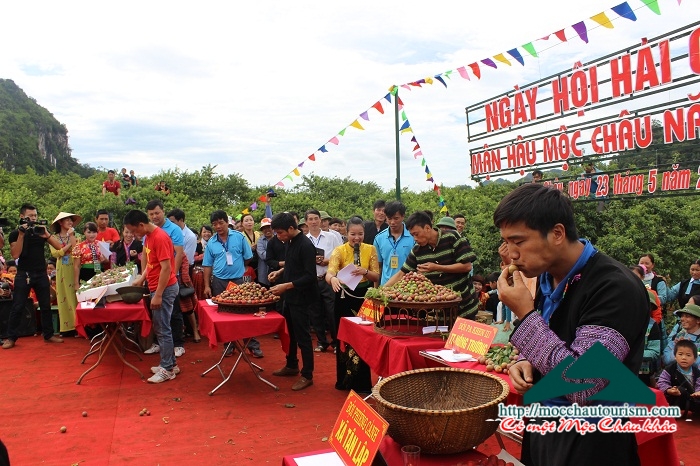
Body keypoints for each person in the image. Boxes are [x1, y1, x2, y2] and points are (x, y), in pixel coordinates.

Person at [494, 183, 648, 466]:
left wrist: (525, 315)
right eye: (507, 242)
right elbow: (553, 338)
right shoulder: (545, 275)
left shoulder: (615, 288)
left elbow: (585, 386)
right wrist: (527, 360)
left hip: (592, 443)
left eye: (519, 242)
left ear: (556, 233)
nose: (511, 254)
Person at [385, 211, 478, 319]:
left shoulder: (452, 237)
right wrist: (381, 290)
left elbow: (467, 266)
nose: (415, 238)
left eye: (416, 234)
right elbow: (401, 273)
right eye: (412, 235)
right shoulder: (417, 251)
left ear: (428, 228)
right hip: (440, 313)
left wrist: (437, 267)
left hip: (465, 307)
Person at [124, 209, 180, 383]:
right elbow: (152, 264)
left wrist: (159, 295)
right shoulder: (148, 237)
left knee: (163, 329)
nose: (133, 235)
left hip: (165, 288)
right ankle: (171, 363)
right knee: (162, 327)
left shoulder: (160, 238)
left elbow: (166, 268)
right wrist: (141, 279)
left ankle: (167, 369)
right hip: (156, 286)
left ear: (141, 225)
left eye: (133, 231)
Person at [326, 216, 380, 392]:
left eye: (360, 234)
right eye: (352, 234)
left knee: (364, 338)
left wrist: (365, 271)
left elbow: (376, 277)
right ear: (346, 233)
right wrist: (333, 279)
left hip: (363, 296)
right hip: (343, 295)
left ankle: (363, 383)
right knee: (344, 338)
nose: (356, 238)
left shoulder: (370, 249)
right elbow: (330, 272)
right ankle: (344, 381)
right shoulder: (339, 251)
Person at [2, 204, 66, 349]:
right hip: (23, 274)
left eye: (35, 216)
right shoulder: (15, 233)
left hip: (41, 273)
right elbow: (15, 254)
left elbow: (59, 248)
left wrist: (47, 235)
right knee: (18, 305)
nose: (33, 218)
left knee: (45, 305)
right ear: (22, 217)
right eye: (30, 216)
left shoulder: (40, 231)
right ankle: (11, 337)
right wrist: (21, 234)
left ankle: (49, 334)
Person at [268, 212, 318, 391]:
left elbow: (310, 276)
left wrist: (287, 285)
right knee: (290, 333)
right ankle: (291, 364)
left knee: (303, 336)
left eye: (280, 232)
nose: (278, 236)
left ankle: (307, 374)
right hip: (289, 295)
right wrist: (279, 273)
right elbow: (291, 264)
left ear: (291, 228)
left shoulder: (305, 245)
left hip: (302, 297)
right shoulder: (289, 242)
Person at [201, 210, 261, 357]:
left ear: (227, 223)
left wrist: (238, 268)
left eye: (221, 223)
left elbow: (248, 258)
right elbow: (207, 265)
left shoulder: (239, 237)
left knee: (245, 314)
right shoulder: (211, 243)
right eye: (215, 224)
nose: (218, 226)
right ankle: (229, 345)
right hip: (219, 282)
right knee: (225, 315)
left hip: (239, 280)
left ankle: (252, 345)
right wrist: (207, 285)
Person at [144, 200, 186, 358]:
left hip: (169, 278)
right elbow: (146, 254)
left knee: (174, 312)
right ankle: (158, 343)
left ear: (163, 211)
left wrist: (172, 276)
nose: (154, 216)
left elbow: (178, 254)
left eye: (157, 213)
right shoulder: (148, 230)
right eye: (151, 214)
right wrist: (144, 275)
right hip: (154, 277)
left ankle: (178, 344)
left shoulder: (173, 229)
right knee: (157, 314)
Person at [306, 209, 343, 353]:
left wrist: (328, 261)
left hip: (329, 279)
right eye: (311, 219)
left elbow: (340, 256)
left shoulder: (331, 237)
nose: (314, 222)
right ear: (306, 222)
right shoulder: (304, 239)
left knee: (332, 312)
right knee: (315, 312)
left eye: (316, 218)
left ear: (321, 220)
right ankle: (322, 341)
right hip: (312, 280)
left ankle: (335, 342)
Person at [48, 212, 80, 336]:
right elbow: (56, 254)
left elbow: (77, 249)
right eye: (67, 220)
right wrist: (67, 246)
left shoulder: (76, 236)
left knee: (74, 296)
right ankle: (66, 328)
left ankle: (78, 325)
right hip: (61, 269)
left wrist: (71, 238)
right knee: (63, 297)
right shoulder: (54, 237)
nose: (70, 222)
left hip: (74, 267)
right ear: (60, 223)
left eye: (71, 220)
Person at [373, 200, 413, 286]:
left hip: (408, 287)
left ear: (403, 216)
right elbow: (378, 267)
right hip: (386, 287)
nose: (392, 222)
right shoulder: (379, 238)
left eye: (396, 218)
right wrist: (375, 291)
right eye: (389, 219)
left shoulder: (413, 237)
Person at [657, 340, 700, 415]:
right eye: (680, 354)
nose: (684, 358)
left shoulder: (697, 371)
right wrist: (669, 390)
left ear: (695, 359)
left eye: (688, 355)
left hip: (692, 399)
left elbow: (699, 384)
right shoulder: (670, 369)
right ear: (675, 356)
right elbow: (662, 382)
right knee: (680, 390)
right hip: (675, 399)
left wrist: (698, 392)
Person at [662, 302, 700, 368]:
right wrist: (678, 347)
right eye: (682, 316)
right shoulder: (678, 335)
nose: (682, 319)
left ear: (698, 320)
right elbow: (666, 359)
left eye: (687, 316)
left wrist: (687, 348)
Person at [72, 222, 110, 288]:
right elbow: (76, 266)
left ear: (97, 232)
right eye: (89, 232)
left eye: (94, 232)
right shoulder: (79, 247)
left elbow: (107, 261)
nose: (91, 235)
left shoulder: (101, 244)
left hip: (100, 272)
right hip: (86, 273)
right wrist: (76, 283)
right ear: (84, 232)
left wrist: (104, 260)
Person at [256, 218, 274, 286]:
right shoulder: (260, 241)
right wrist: (275, 258)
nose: (267, 230)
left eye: (269, 227)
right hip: (264, 271)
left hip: (276, 271)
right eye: (264, 228)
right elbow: (263, 255)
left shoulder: (278, 238)